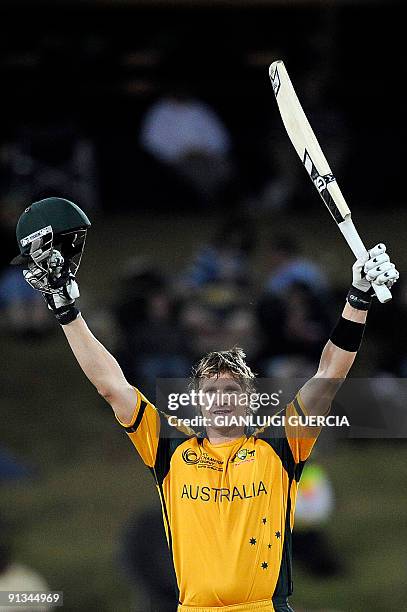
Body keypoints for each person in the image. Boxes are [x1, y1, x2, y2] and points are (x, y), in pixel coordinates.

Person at [15, 199, 399, 612]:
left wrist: (357, 299)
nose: (221, 401)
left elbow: (328, 376)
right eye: (211, 392)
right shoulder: (169, 448)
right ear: (196, 402)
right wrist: (67, 312)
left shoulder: (281, 444)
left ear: (251, 401)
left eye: (232, 391)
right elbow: (112, 385)